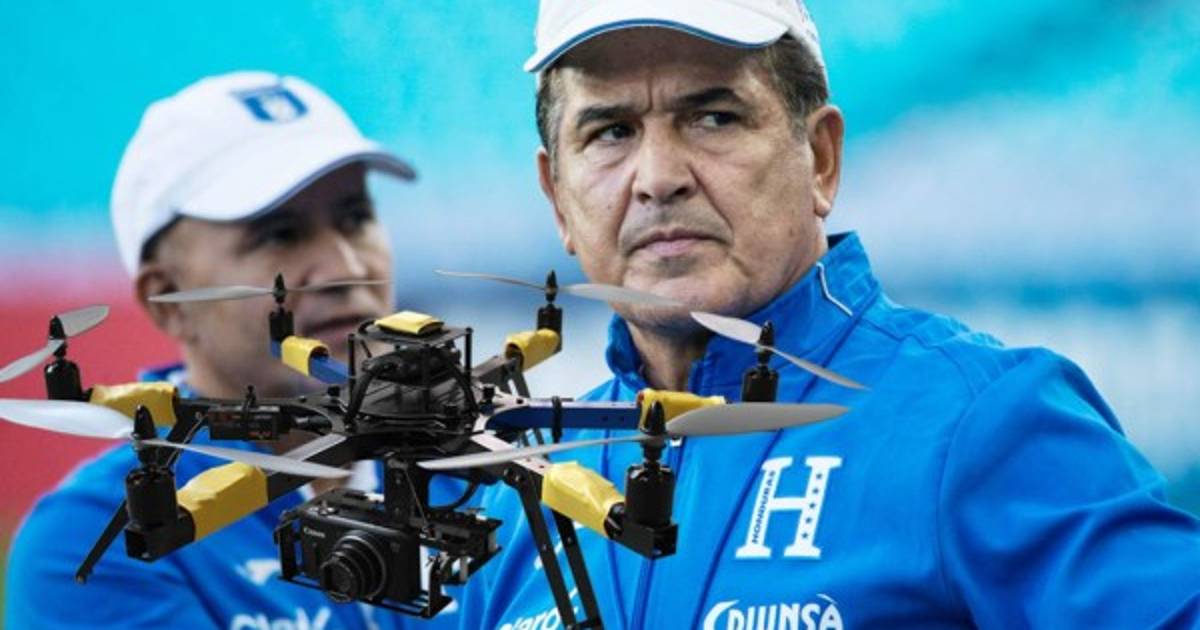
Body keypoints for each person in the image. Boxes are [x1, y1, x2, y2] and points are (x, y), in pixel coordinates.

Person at [455, 2, 1200, 628]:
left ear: (821, 159)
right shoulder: (515, 494)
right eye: (611, 132)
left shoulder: (983, 421)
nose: (658, 178)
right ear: (558, 198)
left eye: (713, 117)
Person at [5, 71, 453, 629]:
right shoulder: (97, 541)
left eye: (356, 217)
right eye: (279, 235)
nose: (345, 267)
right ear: (168, 301)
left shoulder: (479, 473)